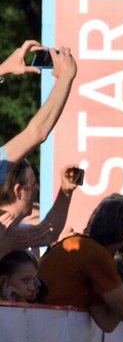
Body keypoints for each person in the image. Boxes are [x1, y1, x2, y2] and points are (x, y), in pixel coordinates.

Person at [38, 195, 123, 331]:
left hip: (43, 328)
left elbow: (107, 322)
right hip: (46, 330)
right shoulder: (95, 255)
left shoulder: (81, 245)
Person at [0, 43, 77, 255]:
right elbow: (37, 132)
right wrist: (66, 79)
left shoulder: (7, 230)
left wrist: (65, 192)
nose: (37, 190)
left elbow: (46, 234)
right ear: (17, 190)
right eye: (33, 184)